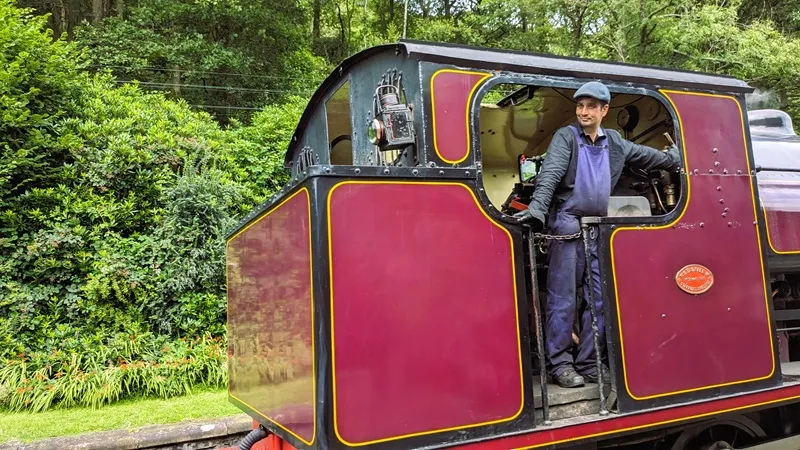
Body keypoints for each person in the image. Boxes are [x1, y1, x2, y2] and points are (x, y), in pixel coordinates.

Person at [514, 81, 681, 388]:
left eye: (591, 106)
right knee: (563, 298)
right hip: (566, 221)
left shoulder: (615, 142)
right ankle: (560, 364)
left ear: (604, 110)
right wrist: (538, 209)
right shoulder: (566, 136)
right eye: (580, 106)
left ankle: (590, 362)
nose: (584, 112)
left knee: (600, 298)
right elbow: (550, 173)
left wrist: (675, 158)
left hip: (598, 226)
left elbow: (649, 156)